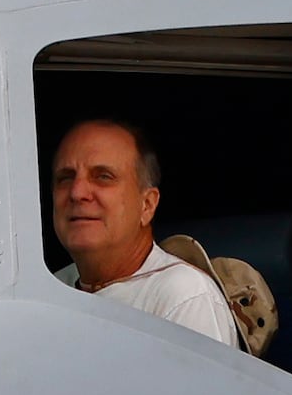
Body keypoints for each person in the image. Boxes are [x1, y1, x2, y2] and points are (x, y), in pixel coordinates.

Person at [46, 120, 239, 345]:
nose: (77, 192)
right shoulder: (49, 288)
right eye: (65, 178)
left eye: (103, 176)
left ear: (147, 205)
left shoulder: (183, 295)